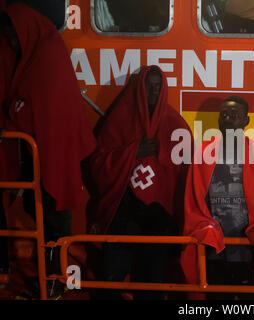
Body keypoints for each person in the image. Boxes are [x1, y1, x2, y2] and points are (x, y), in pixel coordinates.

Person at [0, 3, 97, 298]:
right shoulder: (35, 50)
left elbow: (34, 108)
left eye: (14, 36)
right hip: (44, 157)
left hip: (56, 158)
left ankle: (55, 281)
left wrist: (16, 110)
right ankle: (50, 279)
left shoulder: (47, 56)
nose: (12, 43)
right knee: (45, 217)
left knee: (56, 222)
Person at [88, 66, 192, 300]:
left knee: (152, 282)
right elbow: (98, 163)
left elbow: (184, 175)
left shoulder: (176, 124)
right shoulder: (120, 119)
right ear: (139, 87)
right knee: (109, 277)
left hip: (160, 216)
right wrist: (133, 151)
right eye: (149, 86)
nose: (153, 92)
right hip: (124, 210)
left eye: (158, 87)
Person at [180, 96, 254, 300]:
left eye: (235, 115)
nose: (228, 119)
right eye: (224, 115)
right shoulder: (203, 153)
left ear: (246, 121)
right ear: (218, 120)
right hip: (213, 249)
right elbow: (193, 201)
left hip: (249, 249)